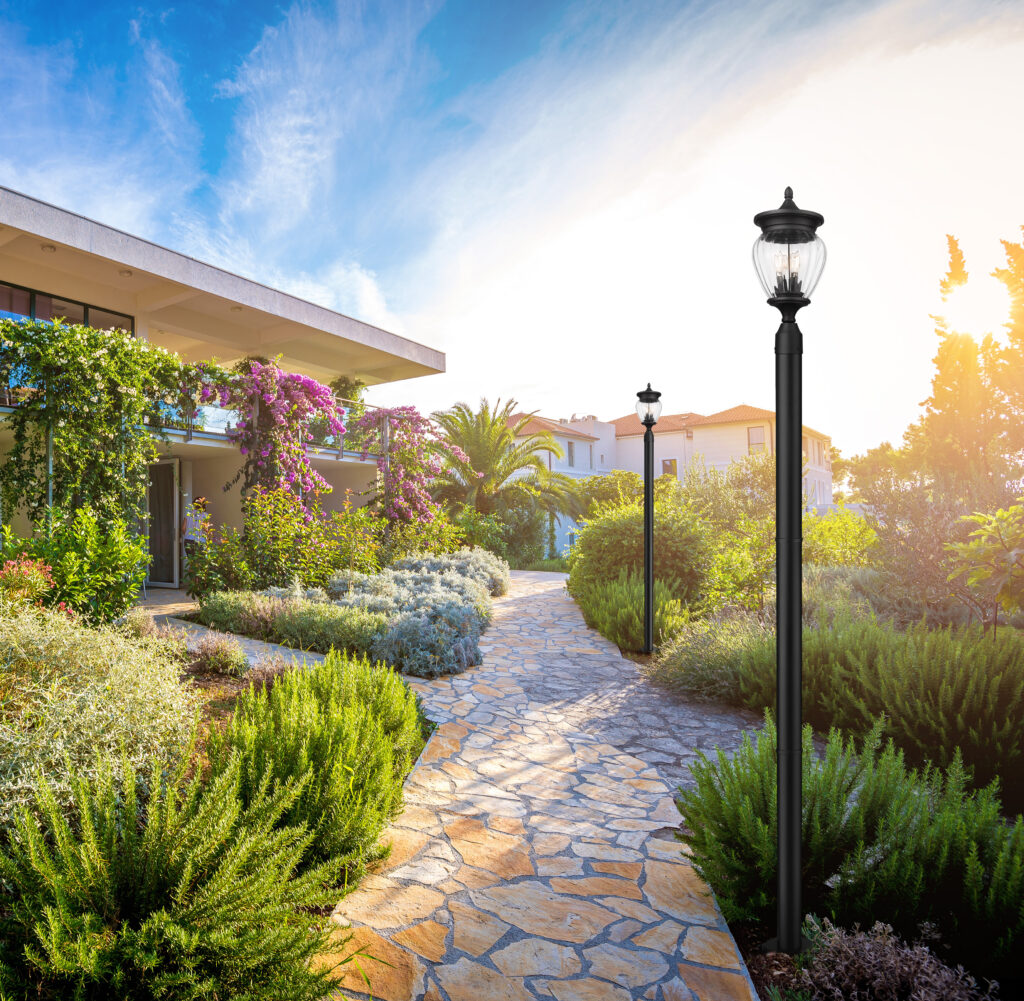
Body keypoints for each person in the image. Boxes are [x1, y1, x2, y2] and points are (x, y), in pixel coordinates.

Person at [182, 496, 210, 562]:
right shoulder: (205, 515)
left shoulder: (189, 514)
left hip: (188, 541)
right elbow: (206, 529)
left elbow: (183, 528)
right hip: (200, 541)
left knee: (192, 563)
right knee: (200, 564)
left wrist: (188, 535)